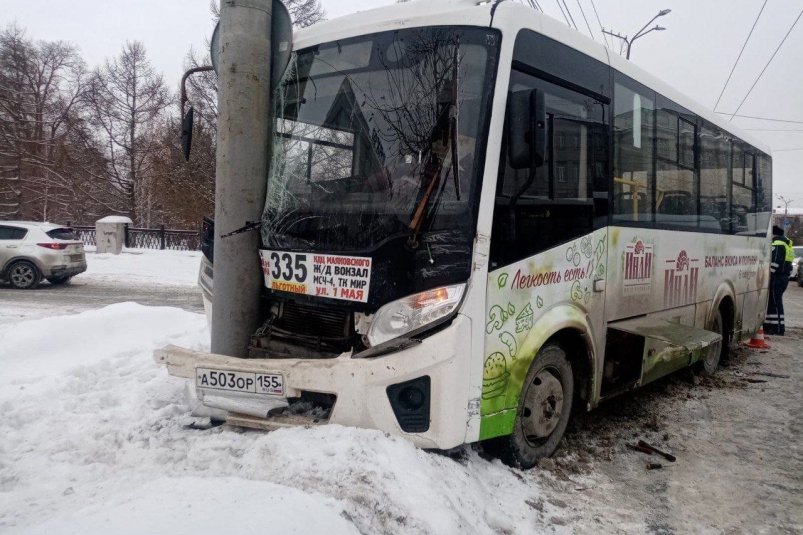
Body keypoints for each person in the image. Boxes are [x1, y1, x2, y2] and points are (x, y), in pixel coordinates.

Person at [765, 225, 792, 335]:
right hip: (783, 277)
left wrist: (768, 274)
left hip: (777, 277)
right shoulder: (786, 244)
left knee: (776, 303)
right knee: (773, 302)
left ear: (774, 234)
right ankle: (771, 326)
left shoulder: (778, 244)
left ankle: (779, 328)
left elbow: (775, 262)